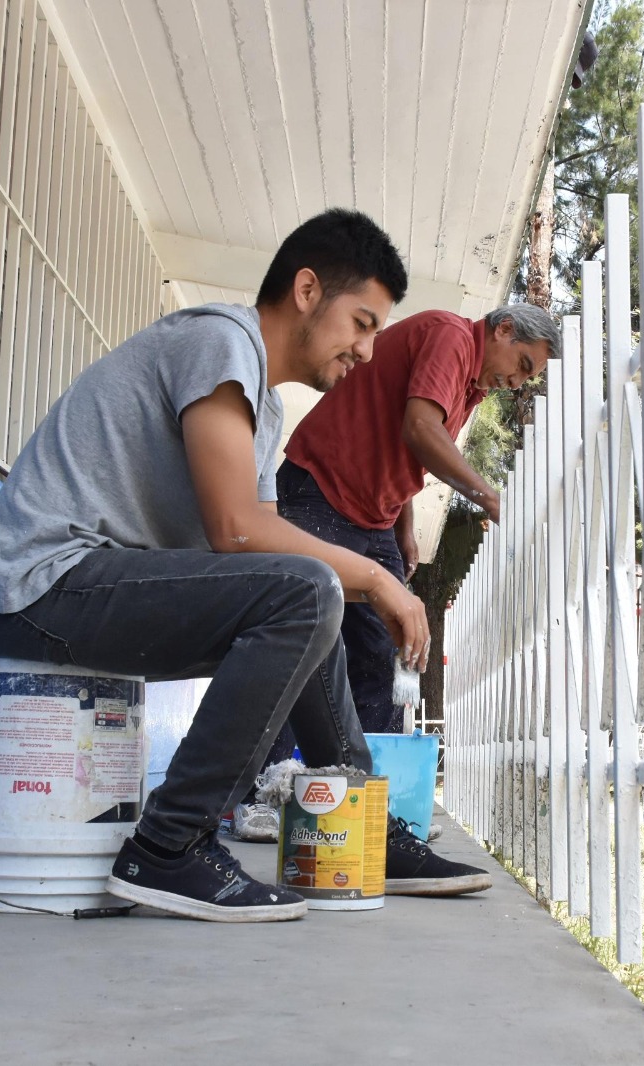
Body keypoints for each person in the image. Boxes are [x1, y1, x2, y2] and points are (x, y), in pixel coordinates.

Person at [0, 209, 491, 923]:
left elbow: (264, 543)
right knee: (311, 592)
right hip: (36, 586)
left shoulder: (260, 408)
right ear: (306, 290)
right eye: (361, 322)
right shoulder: (219, 341)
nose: (366, 351)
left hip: (80, 591)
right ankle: (170, 846)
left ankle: (366, 831)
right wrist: (378, 577)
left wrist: (353, 585)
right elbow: (237, 531)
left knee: (313, 599)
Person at [229, 304, 558, 842]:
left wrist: (404, 524)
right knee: (301, 640)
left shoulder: (470, 384)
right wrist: (492, 499)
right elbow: (419, 428)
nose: (516, 381)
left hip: (373, 516)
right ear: (501, 330)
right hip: (321, 488)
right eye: (522, 364)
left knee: (384, 656)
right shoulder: (453, 336)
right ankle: (256, 794)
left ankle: (356, 804)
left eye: (527, 378)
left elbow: (405, 444)